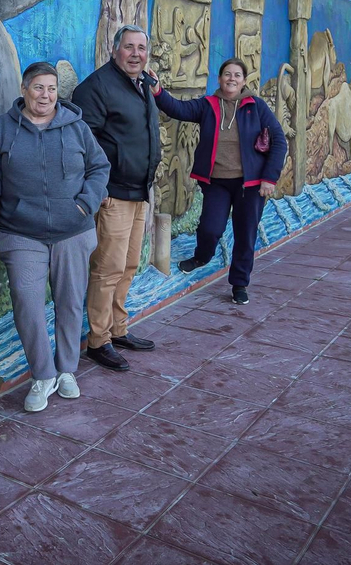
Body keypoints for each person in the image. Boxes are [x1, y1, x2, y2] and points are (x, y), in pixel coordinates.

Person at [0, 62, 110, 413]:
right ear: (24, 89)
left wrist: (85, 205)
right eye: (38, 87)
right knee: (27, 301)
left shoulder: (76, 127)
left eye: (51, 88)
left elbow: (100, 168)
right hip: (21, 232)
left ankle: (67, 369)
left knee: (70, 301)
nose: (46, 95)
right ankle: (43, 374)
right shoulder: (3, 129)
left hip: (73, 231)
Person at [152, 56, 288, 304]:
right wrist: (158, 91)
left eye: (237, 75)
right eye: (227, 74)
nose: (232, 79)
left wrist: (270, 177)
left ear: (244, 81)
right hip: (217, 182)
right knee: (210, 228)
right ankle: (202, 256)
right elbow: (178, 110)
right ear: (219, 78)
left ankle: (239, 283)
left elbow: (279, 141)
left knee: (245, 234)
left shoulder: (255, 107)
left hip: (251, 184)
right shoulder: (208, 105)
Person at [72, 26, 162, 371]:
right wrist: (101, 190)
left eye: (141, 48)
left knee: (128, 266)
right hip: (113, 194)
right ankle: (98, 340)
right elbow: (84, 142)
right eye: (129, 47)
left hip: (139, 193)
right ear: (115, 50)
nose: (136, 53)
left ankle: (118, 329)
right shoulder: (96, 88)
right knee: (107, 270)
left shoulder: (141, 85)